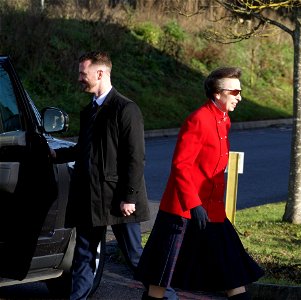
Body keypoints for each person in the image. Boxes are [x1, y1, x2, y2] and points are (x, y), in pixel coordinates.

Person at [136, 67, 264, 300]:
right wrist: (194, 204)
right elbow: (181, 165)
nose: (240, 97)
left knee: (233, 273)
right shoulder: (198, 119)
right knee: (160, 279)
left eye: (240, 92)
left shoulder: (225, 121)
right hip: (183, 211)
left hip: (212, 212)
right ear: (217, 93)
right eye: (235, 92)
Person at [51, 51, 150, 300]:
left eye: (82, 74)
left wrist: (129, 197)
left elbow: (135, 157)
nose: (79, 78)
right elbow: (84, 150)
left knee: (135, 256)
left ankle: (164, 295)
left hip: (119, 200)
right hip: (90, 198)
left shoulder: (126, 109)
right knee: (83, 255)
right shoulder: (89, 111)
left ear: (100, 73)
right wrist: (54, 155)